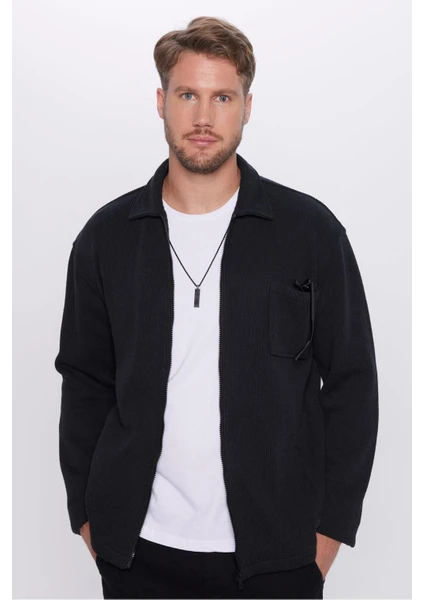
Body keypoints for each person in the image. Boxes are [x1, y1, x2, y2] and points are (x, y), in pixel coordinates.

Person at [54, 15, 379, 600]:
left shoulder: (309, 233)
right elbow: (84, 382)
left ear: (247, 107)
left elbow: (353, 384)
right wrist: (89, 517)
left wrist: (329, 533)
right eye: (187, 95)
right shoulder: (106, 239)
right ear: (161, 102)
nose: (203, 117)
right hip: (139, 553)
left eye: (222, 97)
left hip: (279, 555)